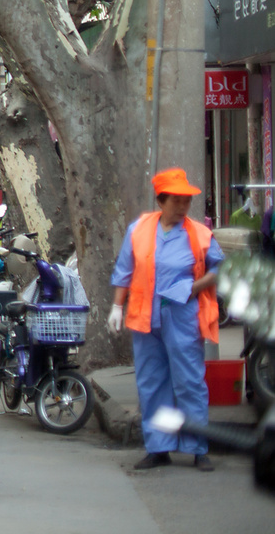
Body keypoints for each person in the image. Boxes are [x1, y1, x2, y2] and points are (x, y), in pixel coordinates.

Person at [110, 168, 224, 471]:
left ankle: (198, 447)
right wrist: (116, 307)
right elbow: (125, 271)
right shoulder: (139, 229)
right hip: (146, 317)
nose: (183, 206)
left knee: (189, 381)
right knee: (151, 383)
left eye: (186, 200)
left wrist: (192, 287)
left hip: (182, 315)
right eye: (177, 200)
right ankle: (158, 447)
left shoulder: (199, 233)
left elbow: (217, 268)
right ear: (162, 201)